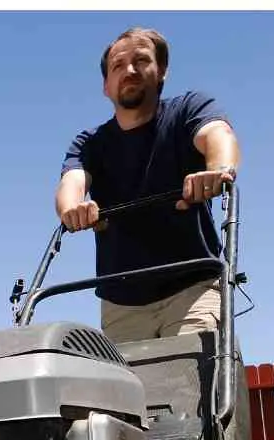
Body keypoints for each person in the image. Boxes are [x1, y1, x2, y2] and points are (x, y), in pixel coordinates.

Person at [55, 27, 241, 344]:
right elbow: (71, 182)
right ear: (106, 86)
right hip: (121, 304)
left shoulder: (188, 109)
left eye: (141, 60)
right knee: (123, 378)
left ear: (162, 70)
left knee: (195, 371)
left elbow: (217, 135)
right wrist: (72, 210)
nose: (129, 70)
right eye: (118, 65)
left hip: (192, 288)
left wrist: (218, 170)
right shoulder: (90, 143)